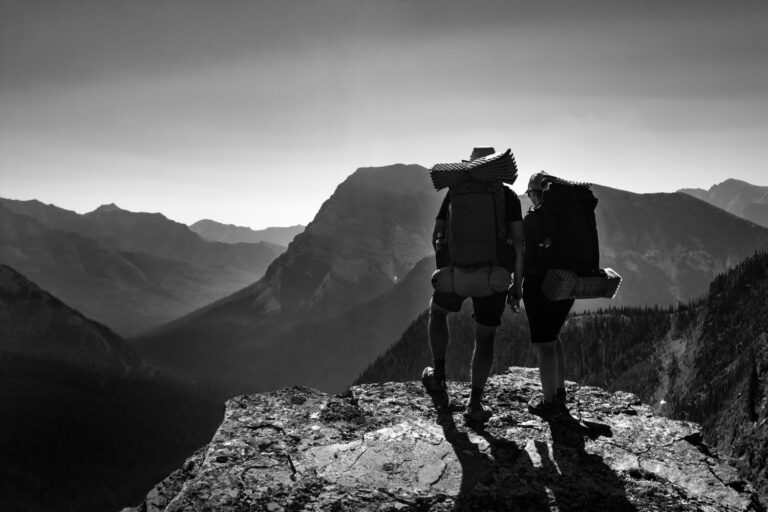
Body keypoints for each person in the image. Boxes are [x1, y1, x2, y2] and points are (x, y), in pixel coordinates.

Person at [422, 146, 525, 423]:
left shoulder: (455, 191)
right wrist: (517, 286)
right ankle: (475, 404)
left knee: (438, 312)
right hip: (494, 276)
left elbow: (437, 235)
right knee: (485, 336)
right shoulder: (507, 195)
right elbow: (519, 243)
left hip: (454, 271)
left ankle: (439, 377)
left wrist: (445, 268)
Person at [522, 172, 575, 419]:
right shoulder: (567, 218)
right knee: (553, 336)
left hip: (540, 285)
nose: (530, 198)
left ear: (538, 193)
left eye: (531, 193)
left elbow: (525, 256)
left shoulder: (534, 220)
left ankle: (549, 401)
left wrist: (515, 287)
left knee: (543, 344)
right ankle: (560, 390)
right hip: (567, 284)